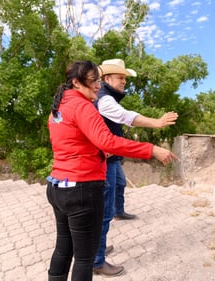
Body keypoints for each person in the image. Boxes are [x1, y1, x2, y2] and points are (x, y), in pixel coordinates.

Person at [46, 60, 177, 281]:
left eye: (98, 80)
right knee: (85, 259)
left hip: (57, 186)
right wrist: (151, 149)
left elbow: (68, 141)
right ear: (77, 82)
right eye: (93, 81)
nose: (98, 85)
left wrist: (94, 151)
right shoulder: (83, 106)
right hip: (82, 189)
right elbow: (107, 140)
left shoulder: (58, 107)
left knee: (63, 249)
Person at [92, 59, 178, 276]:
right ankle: (96, 260)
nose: (124, 82)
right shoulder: (104, 99)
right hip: (106, 159)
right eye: (121, 78)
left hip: (112, 158)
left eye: (124, 78)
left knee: (117, 188)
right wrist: (156, 122)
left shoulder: (105, 96)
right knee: (103, 212)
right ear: (107, 78)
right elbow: (127, 117)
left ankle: (102, 239)